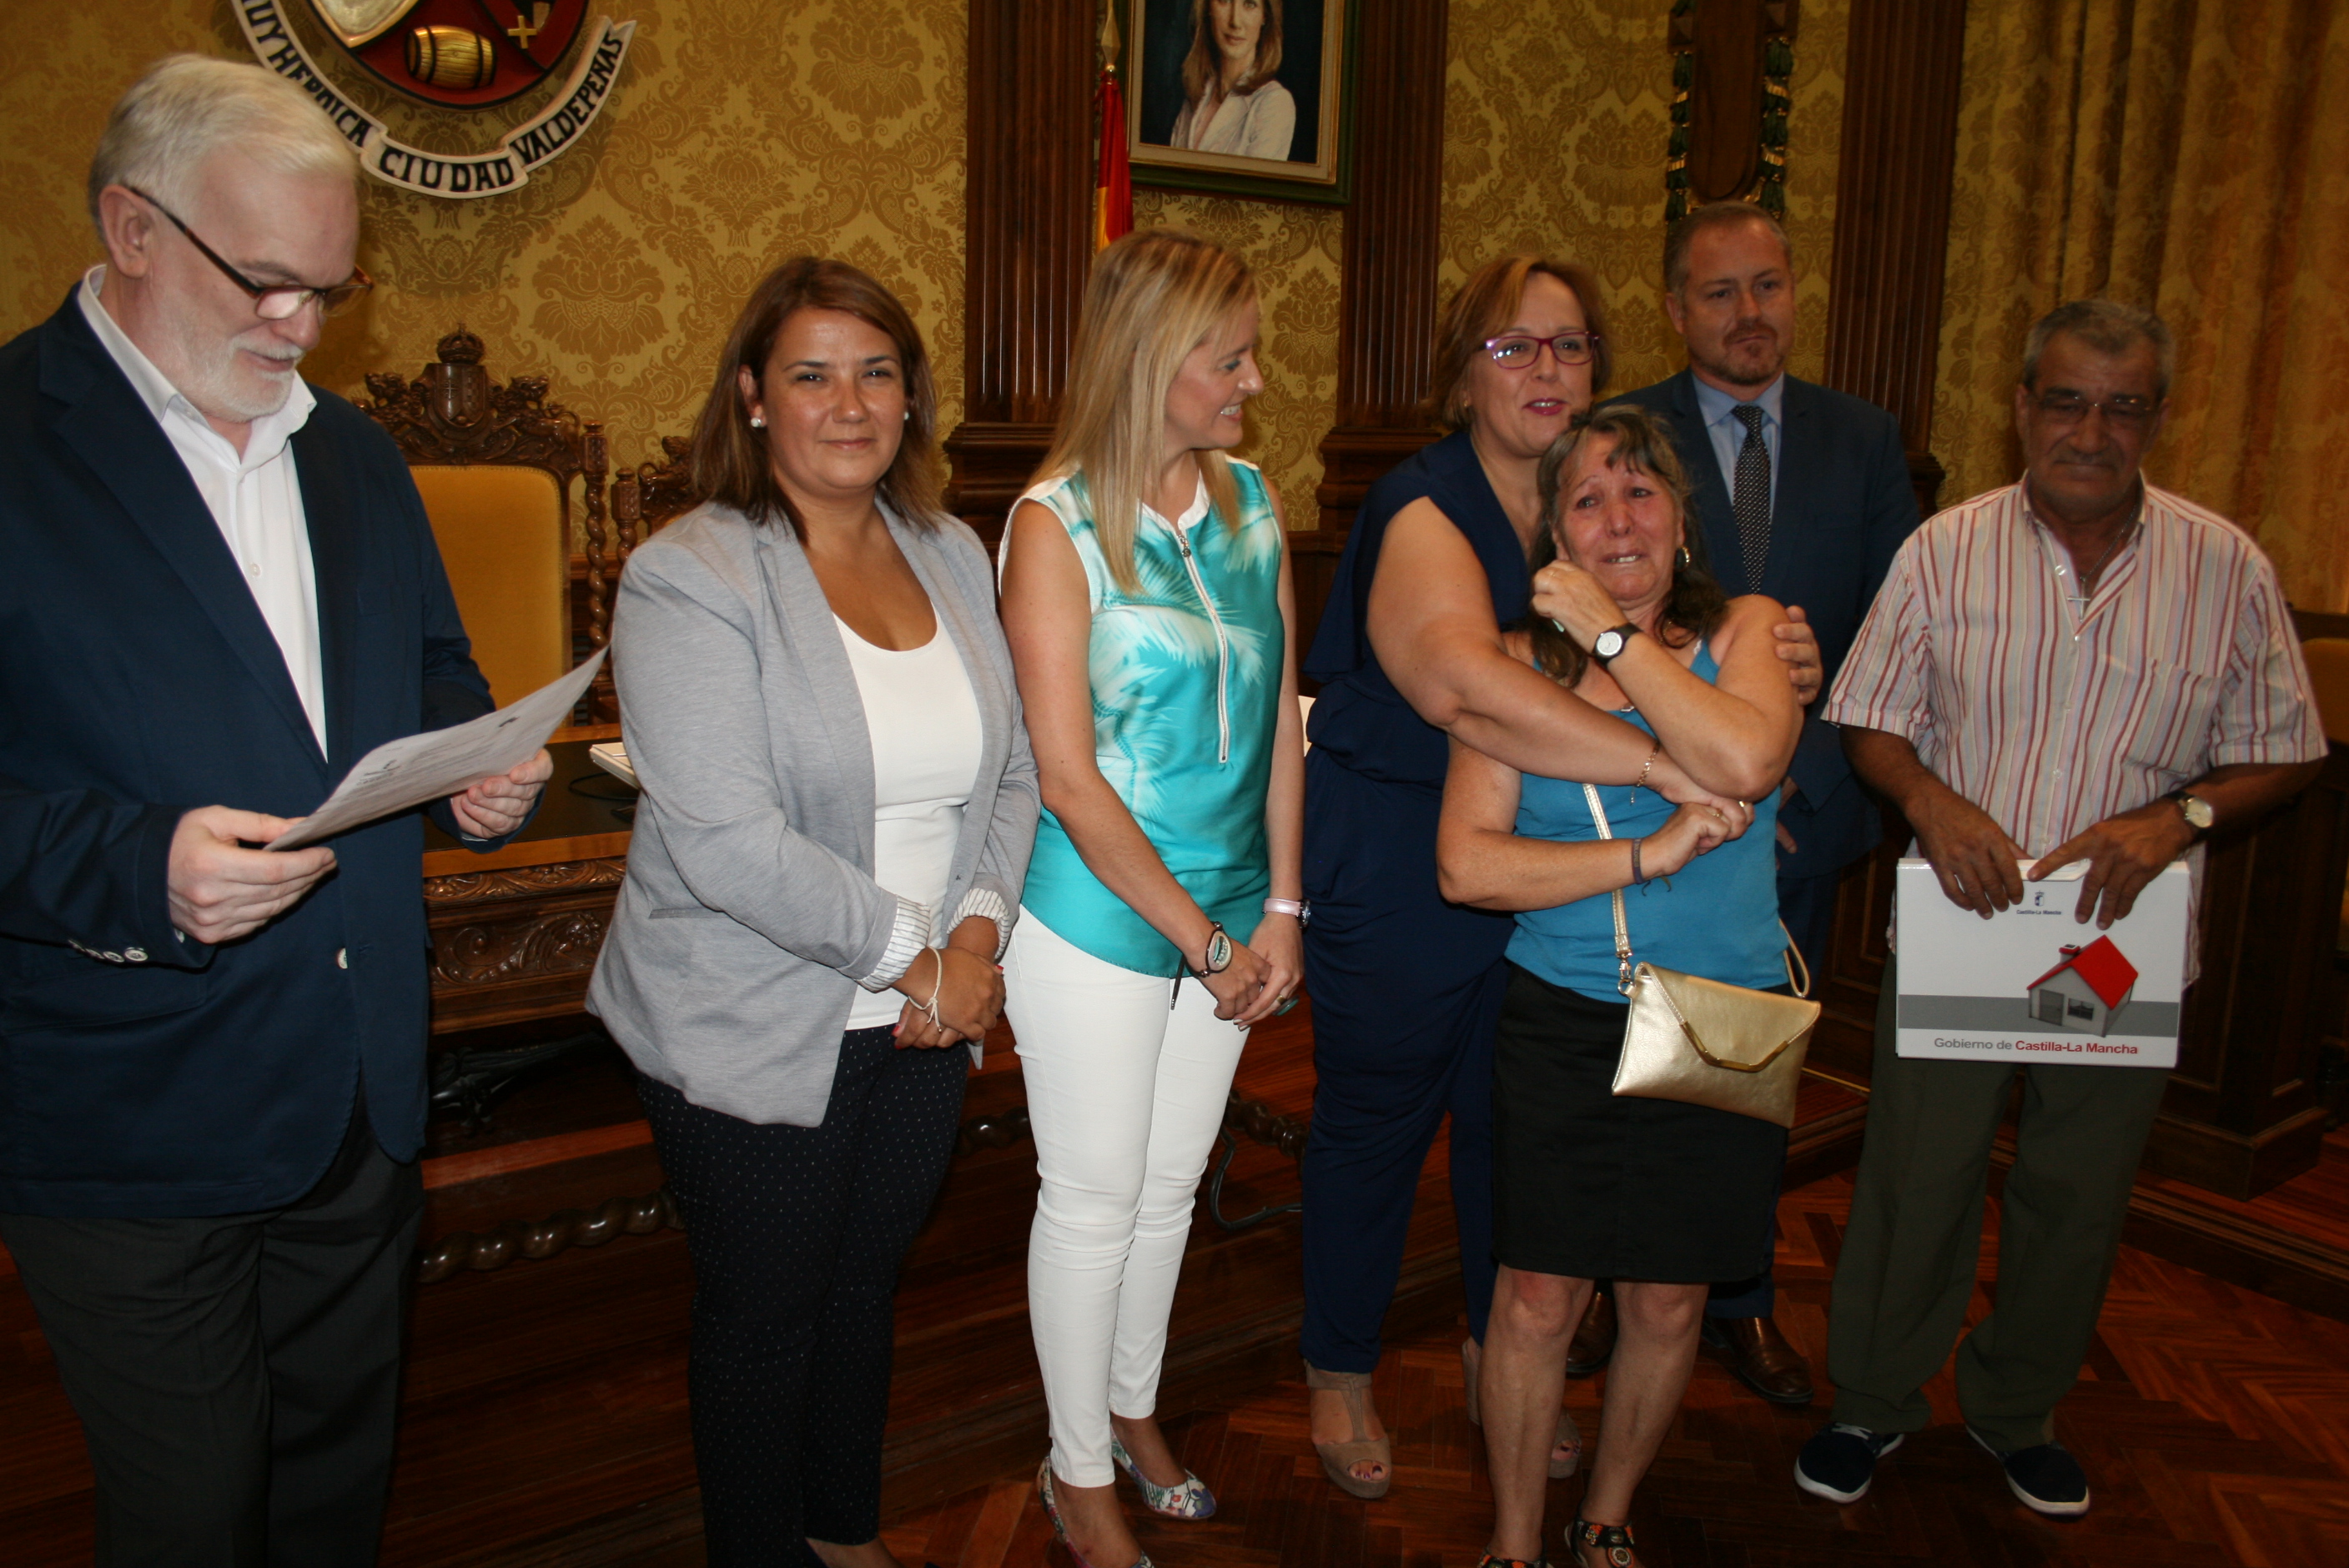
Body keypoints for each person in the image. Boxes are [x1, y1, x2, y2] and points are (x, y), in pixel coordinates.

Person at [0, 55, 550, 1565]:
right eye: (265, 283)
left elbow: (431, 669)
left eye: (329, 289)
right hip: (129, 1108)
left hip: (358, 1097)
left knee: (328, 1495)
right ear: (131, 227)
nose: (301, 327)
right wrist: (140, 867)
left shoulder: (353, 453)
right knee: (188, 1516)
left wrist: (469, 768)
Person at [1295, 254, 1823, 1498]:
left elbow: (1719, 685)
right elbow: (1462, 686)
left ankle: (1502, 1353)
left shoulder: (1605, 509)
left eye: (1570, 345)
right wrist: (1672, 764)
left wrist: (1730, 729)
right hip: (1406, 854)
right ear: (1460, 375)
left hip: (1564, 878)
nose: (1546, 367)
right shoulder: (1426, 504)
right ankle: (1339, 1368)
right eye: (1513, 346)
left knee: (1504, 1132)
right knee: (1380, 1123)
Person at [1798, 300, 2326, 1519]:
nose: (2091, 430)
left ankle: (2017, 1409)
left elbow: (2288, 747)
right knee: (1916, 1174)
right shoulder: (1943, 552)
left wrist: (2178, 817)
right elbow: (1868, 719)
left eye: (2122, 406)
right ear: (2022, 407)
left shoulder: (2225, 567)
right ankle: (1872, 1398)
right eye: (2067, 400)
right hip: (1964, 929)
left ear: (2156, 418)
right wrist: (1928, 800)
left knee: (2075, 1191)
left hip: (2116, 947)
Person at [586, 257, 1039, 1568]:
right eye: (812, 375)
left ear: (912, 397)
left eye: (877, 373)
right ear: (753, 396)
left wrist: (971, 940)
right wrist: (917, 960)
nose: (850, 404)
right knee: (765, 1319)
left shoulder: (951, 551)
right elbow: (727, 843)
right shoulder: (691, 574)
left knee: (862, 1288)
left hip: (926, 1010)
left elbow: (1010, 771)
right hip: (749, 1014)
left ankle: (842, 1534)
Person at [1441, 403, 1803, 1568]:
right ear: (1554, 533)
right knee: (1535, 1298)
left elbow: (1744, 756)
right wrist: (1646, 852)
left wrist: (1610, 636)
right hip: (1562, 1014)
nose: (1618, 519)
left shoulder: (1748, 630)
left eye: (1641, 491)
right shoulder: (1507, 665)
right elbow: (1468, 866)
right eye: (1587, 499)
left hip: (1720, 1016)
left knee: (1667, 1300)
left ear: (1682, 518)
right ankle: (1513, 1539)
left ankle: (1605, 1515)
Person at [997, 228, 1305, 1568]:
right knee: (1094, 1193)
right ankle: (1075, 1472)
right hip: (1097, 912)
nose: (1253, 380)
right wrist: (1206, 941)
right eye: (1227, 358)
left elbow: (1284, 724)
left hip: (1234, 910)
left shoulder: (1254, 504)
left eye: (1250, 354)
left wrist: (1282, 911)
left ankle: (1130, 1409)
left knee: (1172, 1185)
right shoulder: (1051, 524)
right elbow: (1067, 779)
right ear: (1149, 358)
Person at [1607, 199, 1920, 1405]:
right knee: (1618, 1069)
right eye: (1720, 291)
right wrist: (1701, 765)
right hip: (1647, 811)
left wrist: (1792, 768)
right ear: (1675, 309)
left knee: (1743, 1083)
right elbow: (1591, 608)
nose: (1750, 313)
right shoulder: (1625, 431)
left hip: (1800, 819)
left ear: (1796, 291)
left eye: (1768, 286)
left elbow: (1891, 634)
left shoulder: (1864, 438)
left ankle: (1735, 1296)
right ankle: (1605, 1288)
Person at [1167, 0, 1297, 160]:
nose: (1235, 22)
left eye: (1250, 4)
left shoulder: (1274, 103)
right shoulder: (1196, 98)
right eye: (1224, 1)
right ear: (1208, 9)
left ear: (1265, 16)